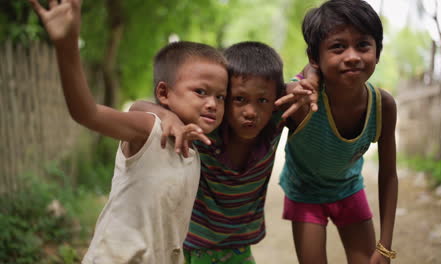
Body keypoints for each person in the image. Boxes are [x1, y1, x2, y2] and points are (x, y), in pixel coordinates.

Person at [28, 0, 229, 263]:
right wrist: (67, 47)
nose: (212, 103)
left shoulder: (193, 151)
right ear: (163, 93)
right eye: (201, 92)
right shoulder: (150, 131)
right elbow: (86, 113)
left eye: (221, 96)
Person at [131, 41, 319, 263]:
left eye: (262, 100)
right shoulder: (205, 128)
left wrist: (310, 81)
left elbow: (312, 69)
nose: (251, 112)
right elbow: (137, 108)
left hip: (239, 247)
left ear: (274, 102)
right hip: (192, 247)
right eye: (239, 99)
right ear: (223, 96)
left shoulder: (275, 120)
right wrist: (166, 116)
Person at [278, 0, 399, 263]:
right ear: (314, 57)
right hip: (304, 192)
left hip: (348, 190)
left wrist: (385, 245)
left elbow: (389, 174)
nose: (353, 56)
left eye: (363, 45)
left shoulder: (383, 106)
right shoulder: (301, 100)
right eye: (338, 47)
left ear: (377, 52)